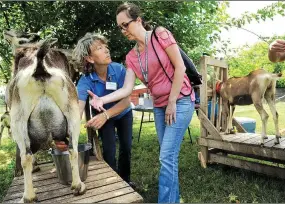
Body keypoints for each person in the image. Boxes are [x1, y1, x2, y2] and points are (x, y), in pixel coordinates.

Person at [88, 3, 195, 203]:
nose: (123, 31)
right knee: (168, 157)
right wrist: (102, 99)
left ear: (138, 20)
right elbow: (126, 89)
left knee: (166, 157)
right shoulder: (131, 56)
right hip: (160, 107)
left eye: (125, 25)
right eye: (120, 27)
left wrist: (172, 101)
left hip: (180, 100)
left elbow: (180, 67)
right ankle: (174, 197)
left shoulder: (160, 34)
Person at [72, 32, 134, 185]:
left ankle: (125, 181)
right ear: (90, 58)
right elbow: (77, 111)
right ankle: (114, 184)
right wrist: (69, 135)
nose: (106, 50)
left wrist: (106, 115)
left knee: (126, 148)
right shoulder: (85, 81)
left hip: (123, 114)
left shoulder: (118, 69)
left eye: (105, 46)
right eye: (99, 48)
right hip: (104, 119)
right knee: (109, 152)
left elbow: (126, 101)